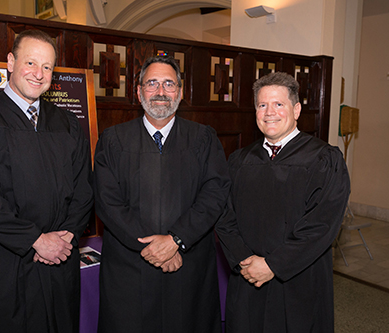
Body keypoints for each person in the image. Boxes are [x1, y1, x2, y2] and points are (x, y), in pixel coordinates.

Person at [0, 29, 93, 333]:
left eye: (47, 67)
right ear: (10, 62)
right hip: (3, 266)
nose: (38, 74)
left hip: (58, 263)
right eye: (30, 63)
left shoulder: (67, 124)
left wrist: (66, 236)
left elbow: (84, 190)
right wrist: (37, 241)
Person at [93, 55, 231, 333]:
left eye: (169, 84)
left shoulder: (203, 138)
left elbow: (214, 194)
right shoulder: (113, 140)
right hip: (130, 266)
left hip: (188, 264)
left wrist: (176, 240)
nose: (160, 92)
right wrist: (154, 247)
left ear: (180, 92)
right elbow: (107, 202)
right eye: (152, 83)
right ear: (138, 91)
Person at [216, 72, 350, 332]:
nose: (269, 112)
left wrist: (273, 265)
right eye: (262, 105)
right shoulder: (239, 160)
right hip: (247, 276)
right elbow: (223, 214)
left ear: (296, 109)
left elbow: (322, 224)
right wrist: (245, 261)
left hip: (298, 280)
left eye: (279, 104)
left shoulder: (324, 159)